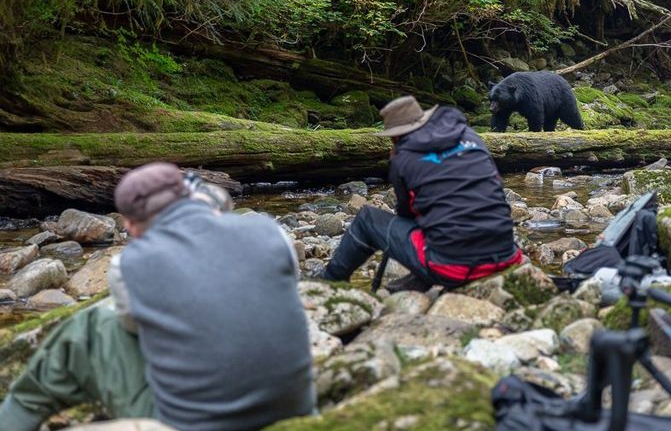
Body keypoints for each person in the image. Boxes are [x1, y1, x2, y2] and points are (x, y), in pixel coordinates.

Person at [0, 163, 315, 431]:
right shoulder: (269, 231)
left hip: (189, 423)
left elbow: (135, 332)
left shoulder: (130, 266)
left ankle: (15, 417)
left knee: (94, 328)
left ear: (132, 226)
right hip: (296, 410)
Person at [324, 95, 522, 287]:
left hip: (453, 267)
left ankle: (330, 282)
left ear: (396, 136)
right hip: (506, 253)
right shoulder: (469, 136)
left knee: (367, 219)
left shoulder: (403, 159)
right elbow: (494, 184)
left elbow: (408, 215)